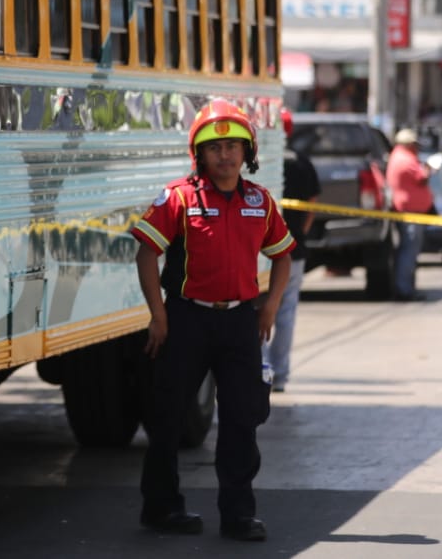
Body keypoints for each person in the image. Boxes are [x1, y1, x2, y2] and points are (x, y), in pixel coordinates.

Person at [131, 99, 295, 542]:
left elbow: (283, 257)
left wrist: (270, 306)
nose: (225, 155)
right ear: (199, 155)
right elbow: (147, 253)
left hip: (240, 323)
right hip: (186, 321)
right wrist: (158, 315)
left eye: (233, 146)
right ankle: (161, 508)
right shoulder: (179, 198)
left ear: (248, 153)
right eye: (215, 147)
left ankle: (239, 514)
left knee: (243, 418)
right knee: (166, 418)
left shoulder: (261, 202)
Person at [264, 108, 321, 393]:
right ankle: (280, 374)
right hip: (294, 249)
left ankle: (260, 371)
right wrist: (302, 231)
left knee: (257, 312)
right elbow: (312, 201)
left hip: (260, 253)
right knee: (285, 313)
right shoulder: (301, 162)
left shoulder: (260, 160)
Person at [385, 128, 432, 302]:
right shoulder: (405, 159)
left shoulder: (398, 156)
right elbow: (422, 177)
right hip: (410, 213)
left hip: (409, 212)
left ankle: (404, 287)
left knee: (407, 250)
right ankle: (404, 289)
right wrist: (428, 170)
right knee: (409, 251)